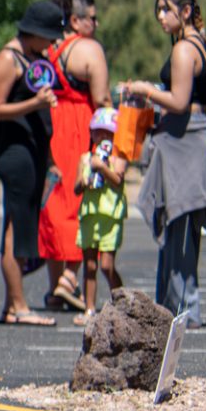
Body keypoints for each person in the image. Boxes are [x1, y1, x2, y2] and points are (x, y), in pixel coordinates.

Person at [123, 0, 206, 326]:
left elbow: (179, 101)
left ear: (183, 11)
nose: (160, 18)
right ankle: (177, 308)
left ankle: (181, 311)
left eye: (165, 10)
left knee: (178, 227)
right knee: (183, 229)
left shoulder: (184, 49)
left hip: (185, 140)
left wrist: (145, 90)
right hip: (197, 136)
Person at [0, 0, 63, 326]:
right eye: (49, 37)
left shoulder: (35, 58)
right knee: (15, 227)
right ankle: (19, 306)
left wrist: (51, 159)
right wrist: (35, 102)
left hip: (33, 153)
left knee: (23, 225)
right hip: (13, 152)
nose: (52, 44)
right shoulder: (7, 59)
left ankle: (10, 306)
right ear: (34, 32)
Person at [35, 0, 110, 312]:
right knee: (81, 203)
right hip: (81, 128)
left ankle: (56, 288)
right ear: (76, 20)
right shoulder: (89, 49)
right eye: (92, 17)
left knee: (54, 205)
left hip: (52, 129)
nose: (96, 22)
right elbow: (103, 99)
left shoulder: (48, 48)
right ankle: (69, 279)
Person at [74, 107, 127, 321]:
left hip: (110, 218)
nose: (103, 137)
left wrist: (103, 168)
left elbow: (118, 181)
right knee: (90, 265)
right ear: (92, 134)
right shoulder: (86, 159)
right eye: (99, 132)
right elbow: (76, 187)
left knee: (106, 265)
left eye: (108, 133)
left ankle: (123, 304)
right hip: (90, 217)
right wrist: (85, 181)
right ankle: (89, 309)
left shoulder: (118, 158)